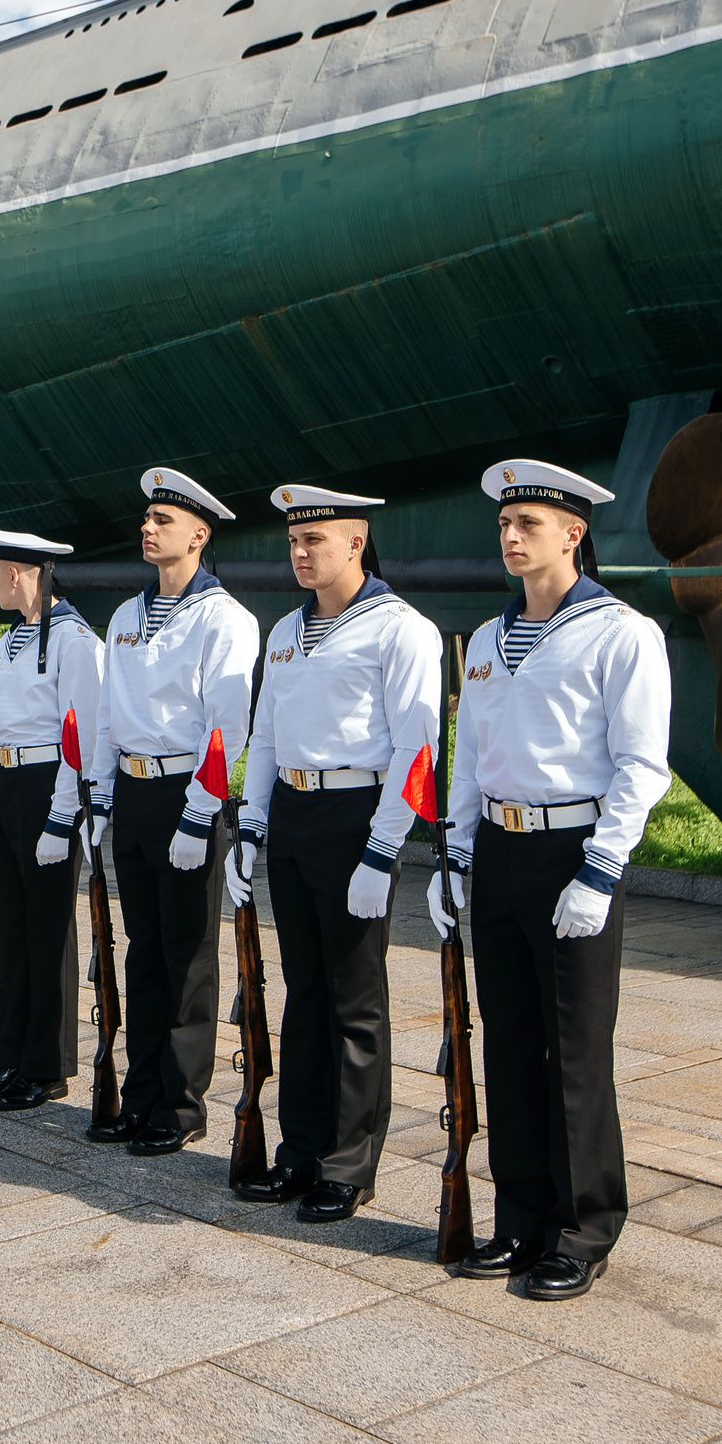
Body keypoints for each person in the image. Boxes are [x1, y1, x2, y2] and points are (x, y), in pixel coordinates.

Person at [435, 459, 670, 1301]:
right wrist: (455, 857)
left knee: (573, 1052)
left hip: (572, 853)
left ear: (573, 534)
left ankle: (585, 1226)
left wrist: (600, 872)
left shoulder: (621, 633)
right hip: (499, 854)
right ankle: (521, 1218)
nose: (510, 536)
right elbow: (470, 762)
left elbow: (644, 766)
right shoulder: (491, 640)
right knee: (508, 1044)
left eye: (528, 523)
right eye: (504, 523)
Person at [230, 485, 441, 1220]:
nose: (299, 551)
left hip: (357, 813)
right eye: (293, 540)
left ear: (356, 542)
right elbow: (265, 731)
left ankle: (350, 1163)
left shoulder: (399, 630)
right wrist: (250, 824)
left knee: (355, 999)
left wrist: (383, 849)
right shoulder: (285, 631)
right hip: (294, 810)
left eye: (313, 539)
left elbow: (418, 745)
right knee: (305, 992)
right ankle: (301, 1149)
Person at [86, 467, 261, 1157]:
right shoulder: (126, 617)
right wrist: (101, 796)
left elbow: (229, 727)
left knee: (187, 954)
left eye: (163, 519)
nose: (148, 527)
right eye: (147, 517)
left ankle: (182, 1104)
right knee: (143, 951)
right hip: (132, 792)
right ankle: (141, 1093)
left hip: (186, 792)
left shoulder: (227, 619)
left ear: (199, 534)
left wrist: (198, 814)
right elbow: (106, 718)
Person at [0, 528, 104, 1112]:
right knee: (10, 933)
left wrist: (63, 817)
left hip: (47, 787)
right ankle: (10, 1058)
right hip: (9, 785)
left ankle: (49, 1066)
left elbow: (81, 738)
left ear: (17, 573)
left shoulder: (75, 642)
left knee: (48, 932)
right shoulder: (6, 644)